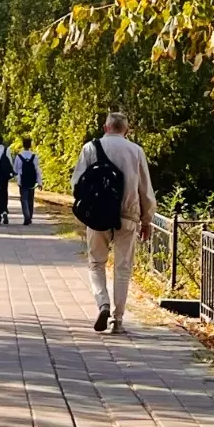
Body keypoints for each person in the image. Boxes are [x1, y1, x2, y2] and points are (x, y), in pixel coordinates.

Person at [71, 113, 155, 334]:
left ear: (105, 127)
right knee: (122, 268)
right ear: (126, 130)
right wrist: (146, 220)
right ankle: (117, 319)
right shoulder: (136, 151)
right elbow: (145, 190)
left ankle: (103, 304)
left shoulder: (90, 148)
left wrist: (85, 209)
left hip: (97, 215)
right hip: (128, 215)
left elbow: (77, 183)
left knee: (96, 263)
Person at [14, 137, 41, 225]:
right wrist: (39, 182)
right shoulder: (34, 156)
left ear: (23, 145)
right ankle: (30, 216)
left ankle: (27, 216)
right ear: (30, 145)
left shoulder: (19, 156)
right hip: (32, 181)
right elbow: (37, 170)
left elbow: (15, 170)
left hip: (22, 181)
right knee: (30, 199)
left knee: (24, 199)